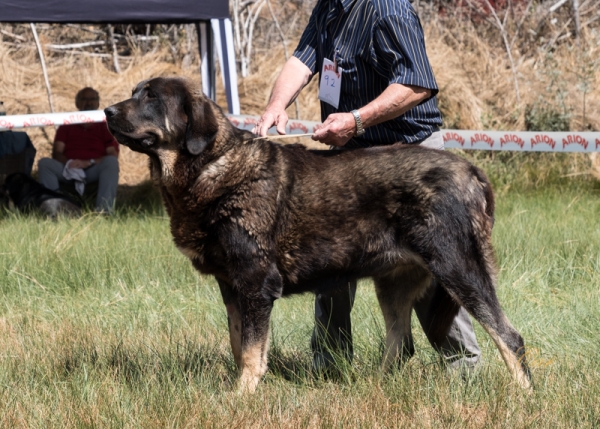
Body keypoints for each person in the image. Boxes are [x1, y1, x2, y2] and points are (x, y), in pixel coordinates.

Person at [253, 0, 481, 373]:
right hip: (352, 161)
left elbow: (416, 83)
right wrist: (276, 105)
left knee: (431, 266)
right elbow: (303, 59)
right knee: (328, 259)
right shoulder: (329, 6)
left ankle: (465, 371)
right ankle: (329, 365)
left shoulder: (388, 10)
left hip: (409, 163)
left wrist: (356, 120)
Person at [38, 87, 119, 213]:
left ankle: (104, 212)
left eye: (92, 99)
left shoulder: (105, 125)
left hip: (93, 168)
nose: (89, 103)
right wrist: (69, 163)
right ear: (77, 103)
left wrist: (90, 162)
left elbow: (112, 154)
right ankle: (53, 209)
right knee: (45, 163)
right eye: (84, 99)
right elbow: (57, 152)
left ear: (98, 103)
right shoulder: (67, 124)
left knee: (111, 163)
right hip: (68, 168)